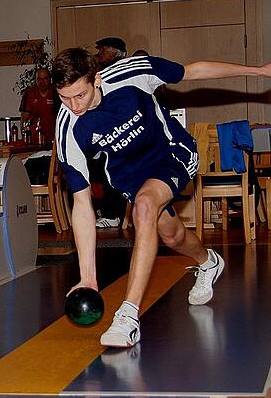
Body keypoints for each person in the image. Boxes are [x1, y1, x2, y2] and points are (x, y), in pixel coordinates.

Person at [52, 47, 271, 347]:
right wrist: (88, 277)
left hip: (171, 153)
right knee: (172, 235)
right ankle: (209, 262)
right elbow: (81, 203)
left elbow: (194, 70)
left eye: (80, 95)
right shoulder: (68, 128)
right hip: (131, 176)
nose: (74, 106)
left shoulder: (135, 74)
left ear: (97, 79)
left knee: (144, 207)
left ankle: (128, 316)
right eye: (64, 98)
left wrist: (258, 71)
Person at [91, 37, 130, 227]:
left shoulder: (116, 71)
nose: (99, 53)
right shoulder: (102, 71)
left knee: (109, 167)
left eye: (103, 49)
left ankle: (113, 214)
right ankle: (108, 210)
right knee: (99, 166)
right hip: (107, 129)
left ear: (115, 52)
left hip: (121, 129)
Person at [19, 67, 59, 146]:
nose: (42, 82)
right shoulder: (29, 93)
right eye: (39, 79)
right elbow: (24, 118)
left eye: (45, 78)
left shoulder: (56, 92)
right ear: (35, 80)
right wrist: (25, 137)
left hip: (54, 138)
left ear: (50, 79)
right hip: (34, 139)